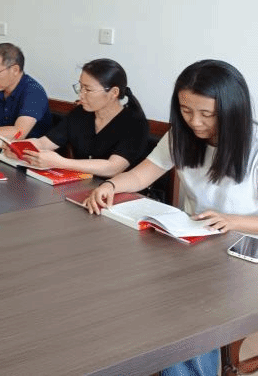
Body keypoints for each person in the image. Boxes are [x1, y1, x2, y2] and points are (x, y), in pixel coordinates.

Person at [84, 60, 258, 376]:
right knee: (136, 295)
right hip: (198, 247)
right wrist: (110, 185)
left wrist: (232, 221)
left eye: (207, 114)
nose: (195, 122)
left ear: (232, 110)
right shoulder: (182, 135)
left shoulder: (254, 146)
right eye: (186, 110)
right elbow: (141, 175)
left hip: (245, 257)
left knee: (180, 316)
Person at [7, 58, 149, 176]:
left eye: (88, 89)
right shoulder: (81, 113)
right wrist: (19, 147)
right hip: (82, 183)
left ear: (113, 92)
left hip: (117, 192)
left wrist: (60, 162)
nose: (81, 95)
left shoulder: (135, 123)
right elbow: (45, 143)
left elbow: (113, 167)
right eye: (80, 87)